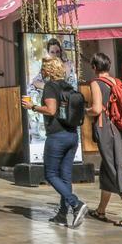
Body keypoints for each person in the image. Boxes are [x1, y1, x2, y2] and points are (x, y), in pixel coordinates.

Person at [21, 57, 88, 227]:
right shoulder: (68, 86)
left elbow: (51, 110)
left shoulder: (51, 86)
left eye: (43, 68)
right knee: (65, 177)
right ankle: (62, 214)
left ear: (48, 70)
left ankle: (76, 204)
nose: (41, 72)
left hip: (57, 137)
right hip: (72, 135)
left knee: (50, 174)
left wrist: (33, 107)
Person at [86, 53, 122, 227]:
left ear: (94, 67)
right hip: (121, 130)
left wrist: (84, 112)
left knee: (115, 168)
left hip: (106, 129)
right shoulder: (116, 81)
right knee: (108, 167)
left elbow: (96, 109)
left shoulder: (95, 83)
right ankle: (101, 210)